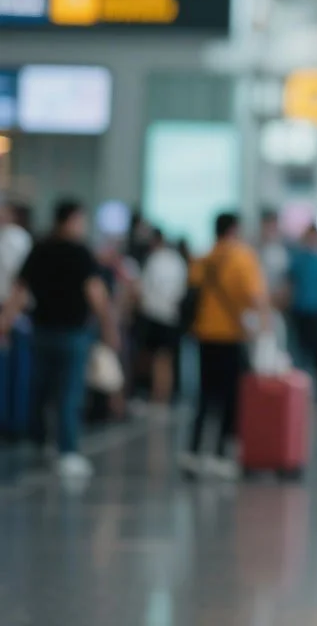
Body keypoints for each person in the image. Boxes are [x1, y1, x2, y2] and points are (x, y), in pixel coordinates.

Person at [0, 199, 120, 479]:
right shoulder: (80, 253)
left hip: (40, 330)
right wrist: (108, 327)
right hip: (72, 332)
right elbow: (97, 294)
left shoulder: (39, 249)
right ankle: (66, 449)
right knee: (69, 392)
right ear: (72, 219)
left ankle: (39, 439)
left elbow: (20, 289)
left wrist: (5, 321)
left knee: (39, 388)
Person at [183, 212, 266, 479]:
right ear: (235, 229)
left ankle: (193, 451)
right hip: (232, 335)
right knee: (232, 396)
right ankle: (221, 452)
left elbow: (192, 293)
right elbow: (255, 296)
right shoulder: (243, 257)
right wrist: (263, 325)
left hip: (205, 334)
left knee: (206, 394)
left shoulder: (203, 258)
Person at [133, 229, 189, 407]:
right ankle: (163, 396)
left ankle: (155, 395)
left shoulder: (154, 260)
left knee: (152, 358)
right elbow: (182, 291)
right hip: (171, 316)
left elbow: (143, 289)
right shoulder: (178, 262)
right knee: (166, 359)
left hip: (153, 315)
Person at [279, 224, 317, 386]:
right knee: (299, 350)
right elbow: (289, 285)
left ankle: (316, 383)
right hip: (299, 310)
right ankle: (301, 383)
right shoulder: (297, 260)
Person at [0, 201, 34, 439]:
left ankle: (14, 424)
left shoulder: (14, 239)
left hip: (12, 313)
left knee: (14, 373)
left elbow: (21, 285)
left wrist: (7, 317)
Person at [257, 209, 289, 290]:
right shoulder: (255, 246)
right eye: (268, 224)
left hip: (279, 291)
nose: (271, 227)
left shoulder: (285, 245)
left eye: (273, 224)